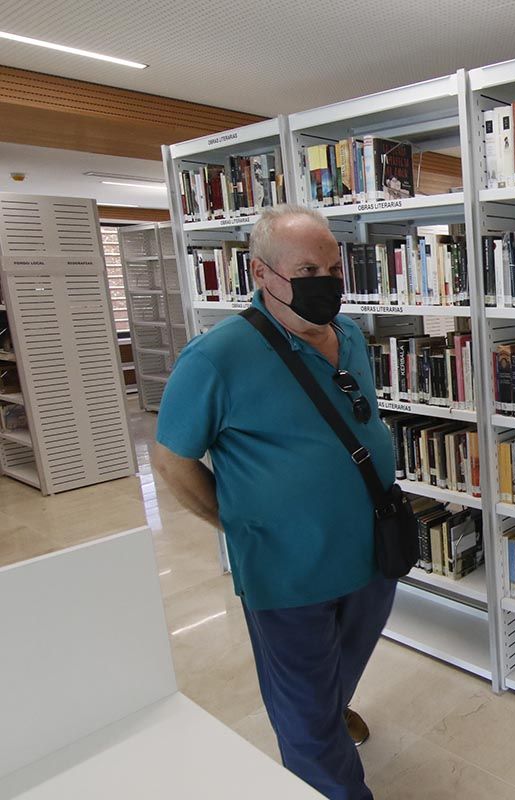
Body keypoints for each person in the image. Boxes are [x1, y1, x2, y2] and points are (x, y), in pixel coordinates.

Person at [152, 204, 395, 800]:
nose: (328, 282)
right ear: (261, 273)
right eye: (308, 269)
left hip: (372, 550)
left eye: (335, 268)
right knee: (304, 711)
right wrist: (238, 522)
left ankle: (330, 712)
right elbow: (172, 461)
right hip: (288, 569)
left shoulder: (351, 338)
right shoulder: (216, 357)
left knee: (340, 667)